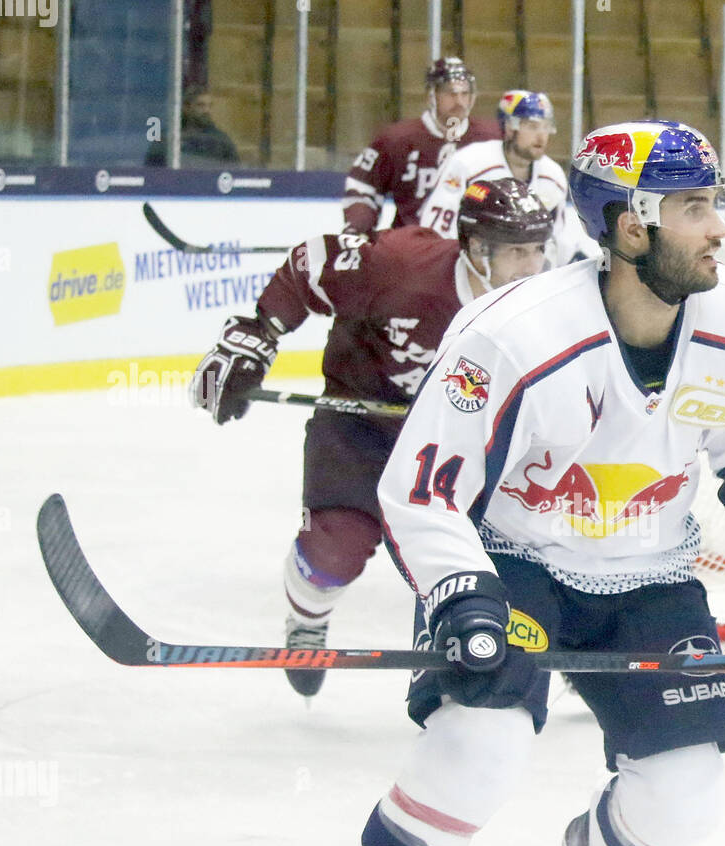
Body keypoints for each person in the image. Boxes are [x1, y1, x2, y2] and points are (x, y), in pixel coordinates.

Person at [285, 121, 725, 846]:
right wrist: (461, 590)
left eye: (715, 202)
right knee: (478, 747)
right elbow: (421, 484)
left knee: (685, 794)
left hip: (652, 573)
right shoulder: (515, 334)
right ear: (628, 227)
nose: (718, 228)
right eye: (694, 208)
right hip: (516, 563)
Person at [188, 181, 555, 698]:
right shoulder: (401, 265)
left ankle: (556, 644)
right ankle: (308, 616)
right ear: (476, 247)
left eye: (538, 249)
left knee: (508, 562)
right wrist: (255, 335)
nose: (532, 266)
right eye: (517, 251)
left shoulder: (543, 306)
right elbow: (310, 263)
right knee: (332, 552)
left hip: (462, 445)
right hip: (363, 426)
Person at [419, 89, 599, 266]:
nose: (541, 135)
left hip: (522, 274)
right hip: (470, 268)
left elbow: (556, 238)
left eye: (546, 126)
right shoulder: (468, 163)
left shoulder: (553, 176)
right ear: (509, 128)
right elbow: (436, 229)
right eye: (532, 126)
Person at [341, 57, 501, 234]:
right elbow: (363, 187)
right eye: (450, 93)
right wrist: (358, 229)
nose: (459, 101)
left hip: (471, 246)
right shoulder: (396, 139)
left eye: (465, 93)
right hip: (411, 246)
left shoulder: (491, 139)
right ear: (431, 96)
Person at [144, 85, 239, 168]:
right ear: (186, 107)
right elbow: (152, 170)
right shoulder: (168, 137)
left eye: (210, 106)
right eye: (200, 105)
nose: (206, 110)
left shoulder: (220, 139)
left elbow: (234, 170)